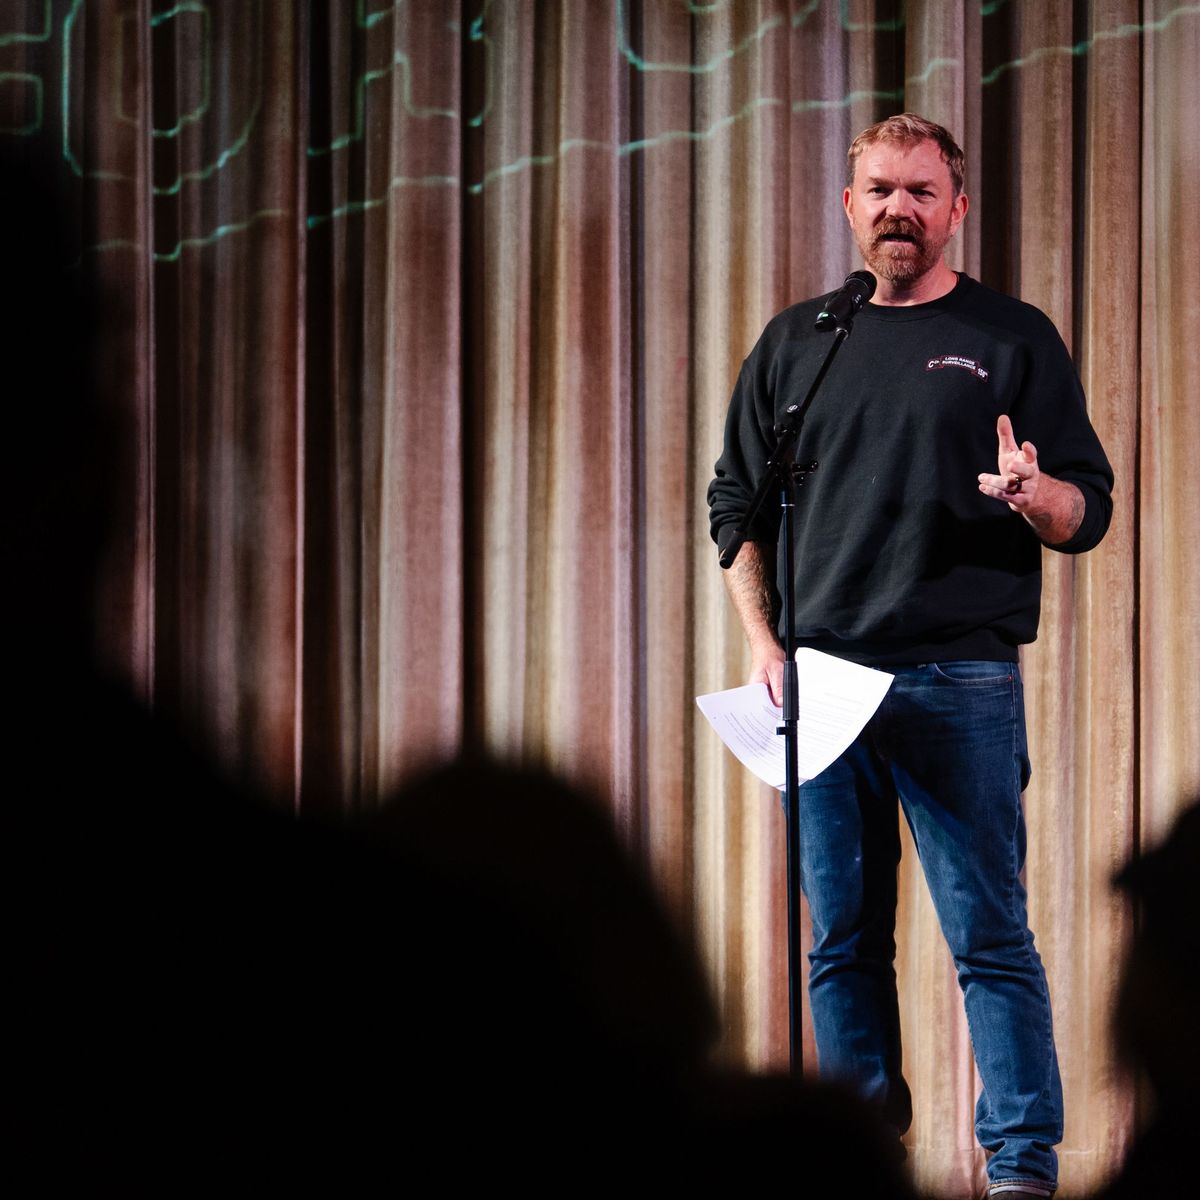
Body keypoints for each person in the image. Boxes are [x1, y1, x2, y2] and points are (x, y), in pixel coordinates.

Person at [707, 114, 1113, 1199]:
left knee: (989, 935)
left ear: (956, 210)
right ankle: (858, 1160)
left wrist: (1036, 496)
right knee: (841, 941)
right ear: (850, 207)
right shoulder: (803, 340)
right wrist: (763, 642)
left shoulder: (1011, 336)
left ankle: (1020, 1167)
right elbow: (734, 503)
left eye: (922, 193)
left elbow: (1089, 511)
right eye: (880, 190)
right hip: (821, 684)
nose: (900, 209)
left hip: (958, 678)